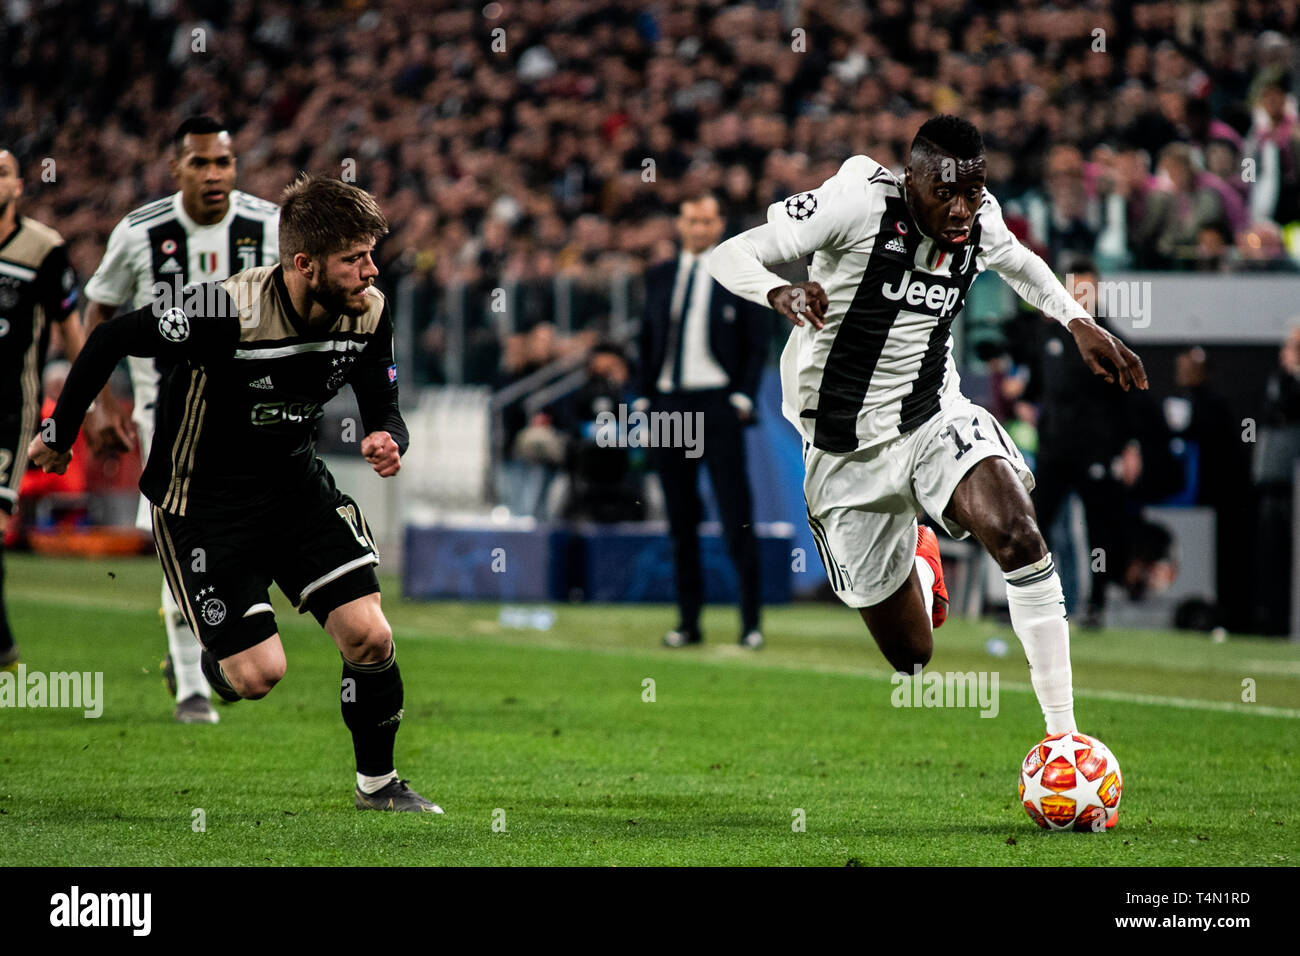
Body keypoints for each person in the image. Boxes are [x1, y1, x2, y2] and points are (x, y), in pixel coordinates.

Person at [709, 116, 1147, 825]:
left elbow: (1022, 264)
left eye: (975, 192)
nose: (963, 209)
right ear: (911, 181)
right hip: (841, 452)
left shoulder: (978, 217)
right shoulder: (854, 204)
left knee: (1018, 534)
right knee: (913, 659)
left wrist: (1076, 320)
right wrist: (779, 293)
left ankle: (1062, 736)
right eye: (948, 194)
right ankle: (918, 551)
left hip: (931, 417)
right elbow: (731, 253)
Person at [29, 174, 441, 813]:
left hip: (295, 490)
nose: (370, 270)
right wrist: (59, 432)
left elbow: (384, 406)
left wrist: (389, 437)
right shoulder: (222, 312)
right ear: (303, 264)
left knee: (370, 636)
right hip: (203, 505)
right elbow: (108, 338)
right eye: (353, 258)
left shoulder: (371, 310)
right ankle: (214, 662)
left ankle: (379, 787)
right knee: (259, 677)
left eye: (370, 253)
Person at [81, 116, 281, 724]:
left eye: (223, 162)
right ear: (177, 169)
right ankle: (192, 686)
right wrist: (100, 402)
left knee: (248, 546)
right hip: (166, 421)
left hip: (252, 418)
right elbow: (101, 309)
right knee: (182, 545)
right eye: (200, 163)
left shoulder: (269, 225)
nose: (214, 174)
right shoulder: (140, 232)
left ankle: (211, 652)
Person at [637, 192, 769, 649]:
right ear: (679, 222)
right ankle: (688, 622)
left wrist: (743, 397)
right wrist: (643, 396)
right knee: (680, 520)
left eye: (707, 220)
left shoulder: (738, 274)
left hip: (717, 405)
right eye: (691, 219)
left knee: (737, 515)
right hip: (671, 406)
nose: (699, 228)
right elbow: (646, 340)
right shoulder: (658, 277)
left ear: (720, 224)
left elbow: (758, 343)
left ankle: (750, 623)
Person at [0, 147, 84, 673]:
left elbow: (71, 329)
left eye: (1, 173)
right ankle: (3, 644)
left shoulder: (43, 249)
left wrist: (90, 406)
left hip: (10, 409)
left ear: (19, 186)